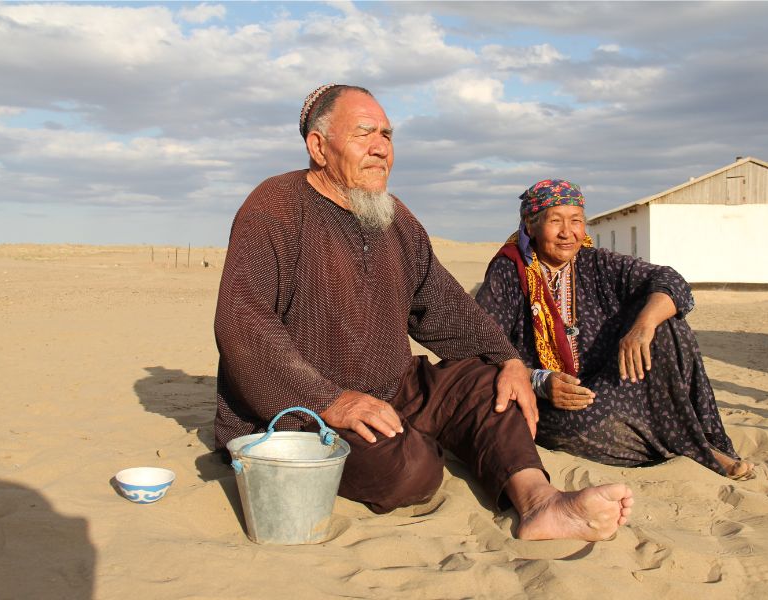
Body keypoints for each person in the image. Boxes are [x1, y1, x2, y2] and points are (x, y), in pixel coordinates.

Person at [213, 85, 633, 541]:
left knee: (492, 385)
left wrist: (508, 359)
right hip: (308, 408)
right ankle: (430, 446)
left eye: (387, 136)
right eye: (363, 134)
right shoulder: (275, 207)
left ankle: (540, 502)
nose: (380, 148)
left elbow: (443, 304)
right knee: (412, 472)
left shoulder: (396, 217)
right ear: (318, 146)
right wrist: (330, 400)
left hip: (395, 385)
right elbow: (242, 320)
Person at [476, 179, 754, 479]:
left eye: (576, 221)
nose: (567, 232)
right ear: (531, 226)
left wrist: (643, 326)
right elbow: (485, 346)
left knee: (668, 322)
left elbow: (672, 281)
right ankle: (688, 451)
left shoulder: (596, 262)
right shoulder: (508, 270)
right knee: (576, 427)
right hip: (550, 396)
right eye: (555, 221)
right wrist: (540, 382)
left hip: (608, 380)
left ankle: (696, 448)